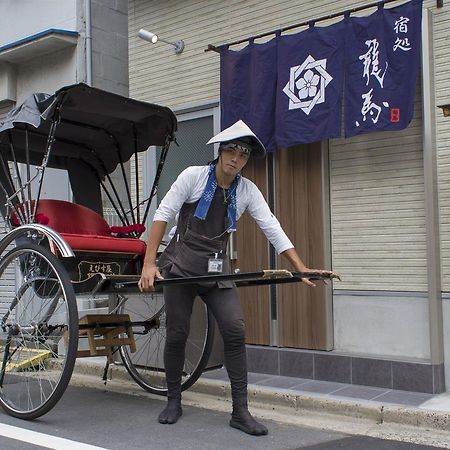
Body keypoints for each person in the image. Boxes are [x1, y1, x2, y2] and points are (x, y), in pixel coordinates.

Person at [138, 120, 335, 436]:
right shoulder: (193, 177)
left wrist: (300, 266)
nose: (236, 159)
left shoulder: (246, 190)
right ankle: (173, 399)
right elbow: (163, 214)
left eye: (243, 155)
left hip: (216, 268)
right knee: (177, 332)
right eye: (231, 150)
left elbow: (272, 227)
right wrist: (150, 264)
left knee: (234, 329)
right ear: (220, 151)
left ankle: (240, 411)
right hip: (182, 266)